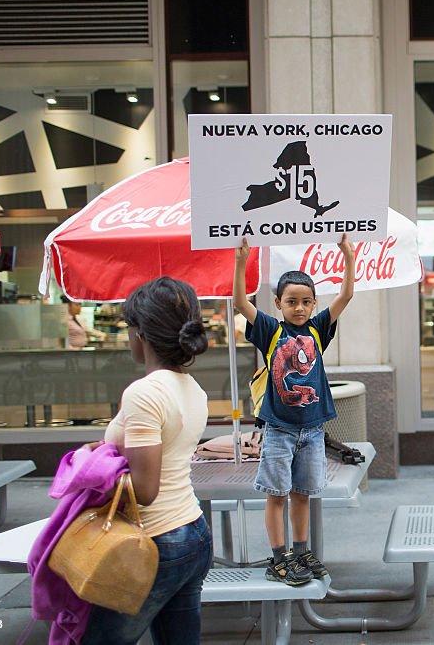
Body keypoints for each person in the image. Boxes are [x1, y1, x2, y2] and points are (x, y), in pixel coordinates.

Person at [82, 276, 213, 644]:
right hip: (193, 531)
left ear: (139, 333)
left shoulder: (143, 393)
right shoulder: (193, 389)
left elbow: (146, 489)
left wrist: (91, 472)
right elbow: (167, 452)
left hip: (153, 541)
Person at [233, 234, 356, 585]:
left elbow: (346, 295)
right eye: (291, 302)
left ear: (314, 302)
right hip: (279, 430)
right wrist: (242, 261)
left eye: (306, 301)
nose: (299, 308)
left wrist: (347, 257)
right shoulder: (271, 330)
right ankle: (279, 558)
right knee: (278, 495)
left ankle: (301, 551)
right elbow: (241, 303)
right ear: (278, 303)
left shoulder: (318, 329)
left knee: (302, 495)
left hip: (313, 430)